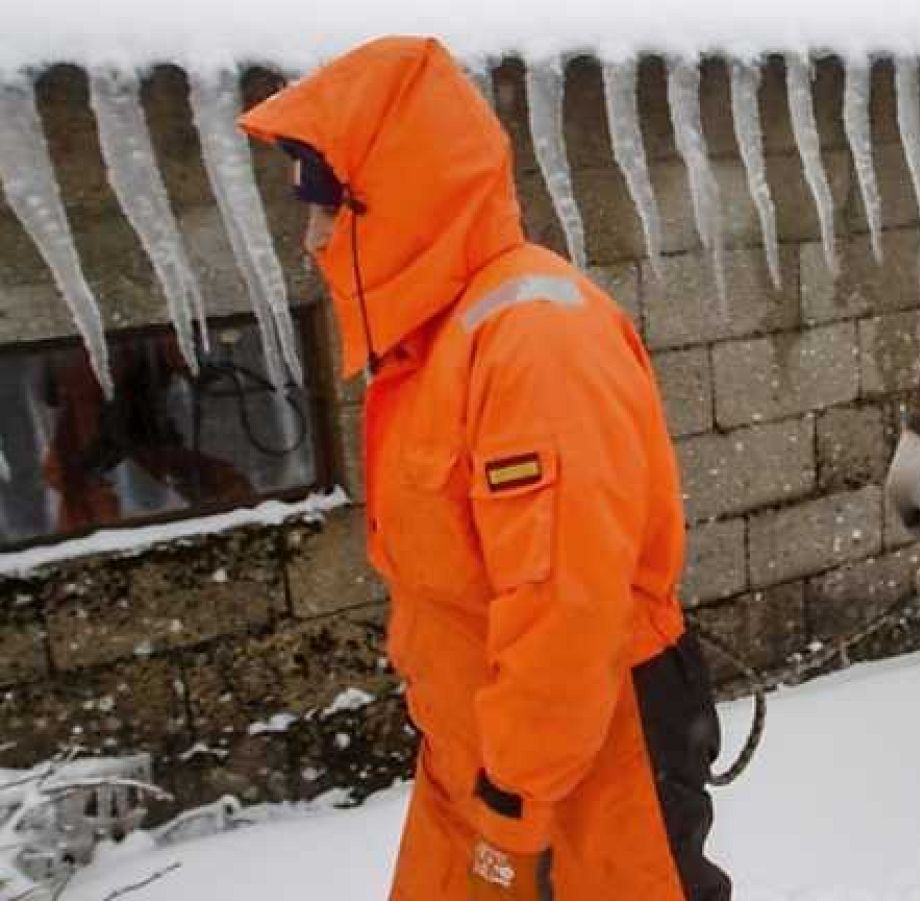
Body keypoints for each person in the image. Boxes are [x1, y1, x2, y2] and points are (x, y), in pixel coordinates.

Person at [237, 36, 731, 901]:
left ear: (396, 195)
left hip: (586, 751)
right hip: (482, 747)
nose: (312, 235)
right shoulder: (433, 343)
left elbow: (564, 607)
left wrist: (515, 803)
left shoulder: (532, 338)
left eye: (329, 204)